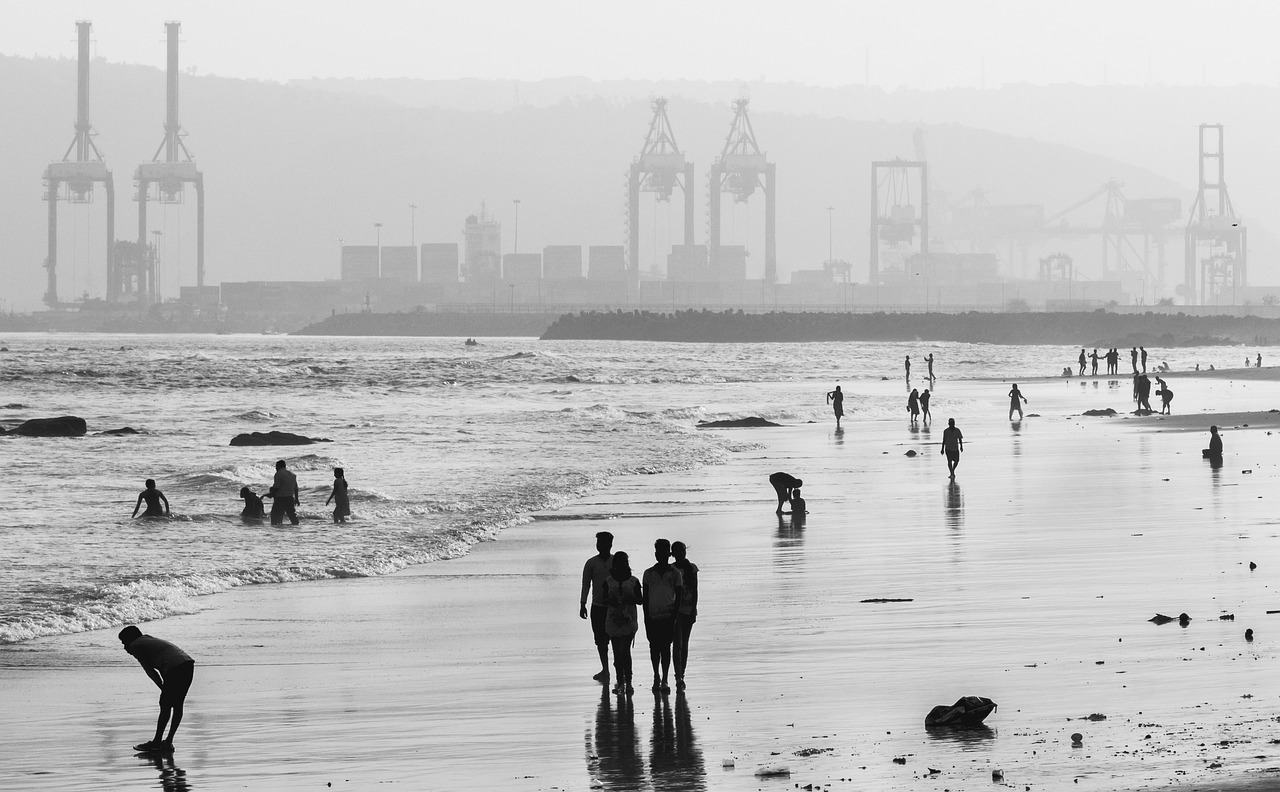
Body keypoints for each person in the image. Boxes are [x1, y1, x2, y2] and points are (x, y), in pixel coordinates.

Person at [118, 625, 195, 754]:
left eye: (124, 642)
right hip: (187, 664)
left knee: (165, 705)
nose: (124, 647)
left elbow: (150, 670)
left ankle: (156, 743)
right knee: (177, 704)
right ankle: (168, 742)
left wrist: (162, 687)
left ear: (130, 640)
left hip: (175, 668)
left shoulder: (135, 645)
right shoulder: (147, 639)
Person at [642, 539, 683, 694]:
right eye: (658, 552)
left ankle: (665, 678)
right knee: (654, 649)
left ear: (669, 554)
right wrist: (646, 617)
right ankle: (656, 676)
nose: (661, 555)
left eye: (664, 552)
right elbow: (645, 598)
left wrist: (673, 617)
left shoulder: (675, 574)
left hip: (668, 616)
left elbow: (678, 598)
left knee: (666, 649)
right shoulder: (648, 573)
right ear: (655, 554)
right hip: (652, 616)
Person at [604, 551, 641, 696]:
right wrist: (612, 601)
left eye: (624, 562)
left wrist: (630, 599)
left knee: (624, 651)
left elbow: (640, 599)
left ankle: (628, 682)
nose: (622, 565)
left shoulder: (633, 581)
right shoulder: (608, 581)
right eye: (620, 563)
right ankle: (621, 682)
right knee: (617, 654)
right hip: (613, 621)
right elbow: (603, 599)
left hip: (629, 621)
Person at [580, 531, 615, 683]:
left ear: (610, 544)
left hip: (614, 607)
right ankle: (605, 669)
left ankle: (618, 667)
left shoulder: (616, 561)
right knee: (601, 641)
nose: (600, 545)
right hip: (597, 607)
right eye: (598, 542)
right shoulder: (591, 563)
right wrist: (582, 604)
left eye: (603, 542)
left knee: (616, 639)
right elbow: (586, 584)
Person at [670, 541, 698, 691]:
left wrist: (694, 609)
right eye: (677, 551)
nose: (681, 553)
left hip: (688, 610)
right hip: (675, 611)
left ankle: (682, 674)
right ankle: (678, 675)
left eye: (682, 550)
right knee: (677, 644)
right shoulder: (671, 570)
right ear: (672, 553)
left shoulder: (691, 568)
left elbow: (695, 591)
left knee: (684, 644)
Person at [270, 460, 299, 526]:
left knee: (274, 516)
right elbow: (296, 488)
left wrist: (271, 494)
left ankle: (276, 530)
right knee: (292, 516)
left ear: (279, 466)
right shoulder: (292, 475)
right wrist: (297, 499)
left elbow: (276, 487)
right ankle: (297, 530)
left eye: (276, 467)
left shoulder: (279, 474)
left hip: (280, 499)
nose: (276, 468)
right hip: (290, 498)